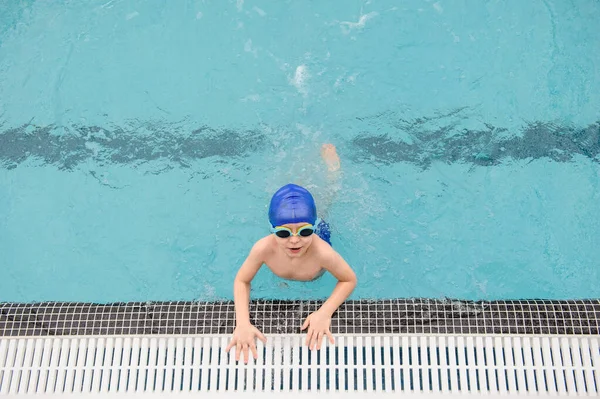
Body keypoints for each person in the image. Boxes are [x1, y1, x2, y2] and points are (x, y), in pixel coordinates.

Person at [226, 144, 357, 363]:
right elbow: (241, 280)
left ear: (312, 228)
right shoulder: (263, 248)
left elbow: (348, 279)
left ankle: (332, 170)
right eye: (284, 233)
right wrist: (242, 323)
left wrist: (324, 312)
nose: (295, 240)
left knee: (328, 200)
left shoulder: (322, 252)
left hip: (321, 235)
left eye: (305, 231)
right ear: (272, 230)